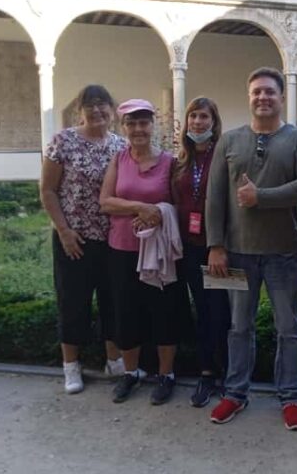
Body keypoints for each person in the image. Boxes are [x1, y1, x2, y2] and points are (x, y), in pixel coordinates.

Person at [205, 67, 297, 430]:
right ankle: (235, 393)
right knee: (239, 326)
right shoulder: (229, 140)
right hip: (236, 252)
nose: (263, 98)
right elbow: (215, 196)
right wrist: (215, 245)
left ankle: (292, 396)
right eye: (256, 92)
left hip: (283, 252)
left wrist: (261, 197)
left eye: (270, 92)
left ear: (282, 97)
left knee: (289, 328)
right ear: (248, 97)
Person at [100, 98, 189, 406]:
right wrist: (140, 207)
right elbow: (106, 201)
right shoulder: (118, 160)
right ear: (123, 127)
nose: (138, 129)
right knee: (126, 312)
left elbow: (180, 205)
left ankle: (166, 375)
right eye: (131, 123)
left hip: (159, 253)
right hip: (122, 250)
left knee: (164, 311)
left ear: (153, 125)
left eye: (143, 122)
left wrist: (160, 212)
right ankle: (132, 372)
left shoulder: (169, 162)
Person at [40, 84, 127, 395]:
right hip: (73, 238)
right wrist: (63, 230)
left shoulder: (120, 145)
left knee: (111, 300)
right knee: (72, 301)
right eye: (90, 105)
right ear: (80, 110)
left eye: (103, 104)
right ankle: (71, 366)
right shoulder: (62, 142)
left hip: (111, 239)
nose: (97, 110)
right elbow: (48, 190)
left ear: (112, 110)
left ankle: (114, 360)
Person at [171, 96, 231, 408]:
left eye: (204, 116)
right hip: (189, 249)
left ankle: (227, 373)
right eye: (193, 116)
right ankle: (207, 372)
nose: (198, 122)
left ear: (213, 122)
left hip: (218, 248)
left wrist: (217, 245)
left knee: (223, 311)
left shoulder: (224, 156)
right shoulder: (181, 160)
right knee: (203, 311)